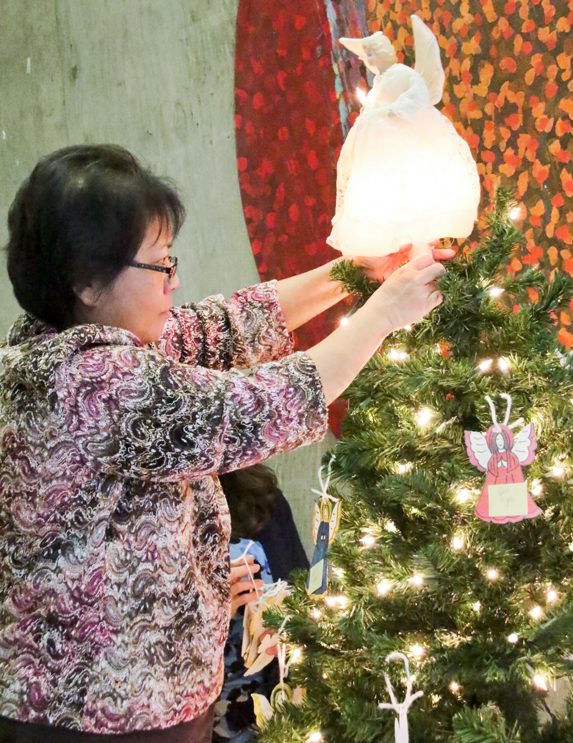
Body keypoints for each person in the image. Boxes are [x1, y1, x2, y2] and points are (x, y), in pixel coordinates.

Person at [0, 144, 451, 742]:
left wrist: (350, 275)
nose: (175, 280)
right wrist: (386, 312)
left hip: (133, 700)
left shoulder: (63, 342)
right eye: (160, 264)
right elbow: (253, 408)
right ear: (86, 279)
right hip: (104, 716)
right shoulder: (90, 383)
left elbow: (222, 325)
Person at [213, 464, 308, 742]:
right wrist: (208, 613)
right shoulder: (150, 520)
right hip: (196, 722)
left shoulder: (265, 500)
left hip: (280, 719)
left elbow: (303, 602)